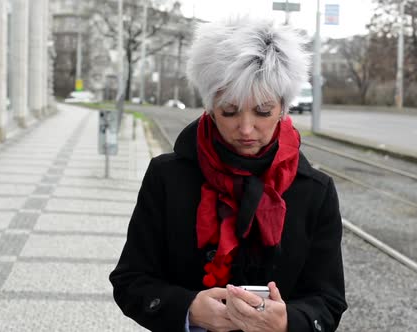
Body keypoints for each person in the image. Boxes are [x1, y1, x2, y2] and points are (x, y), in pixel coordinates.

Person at [110, 18, 347, 332]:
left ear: (283, 107)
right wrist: (188, 310)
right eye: (229, 111)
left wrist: (288, 322)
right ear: (209, 107)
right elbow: (130, 281)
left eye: (263, 111)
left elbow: (328, 300)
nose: (246, 129)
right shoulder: (167, 177)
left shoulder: (315, 191)